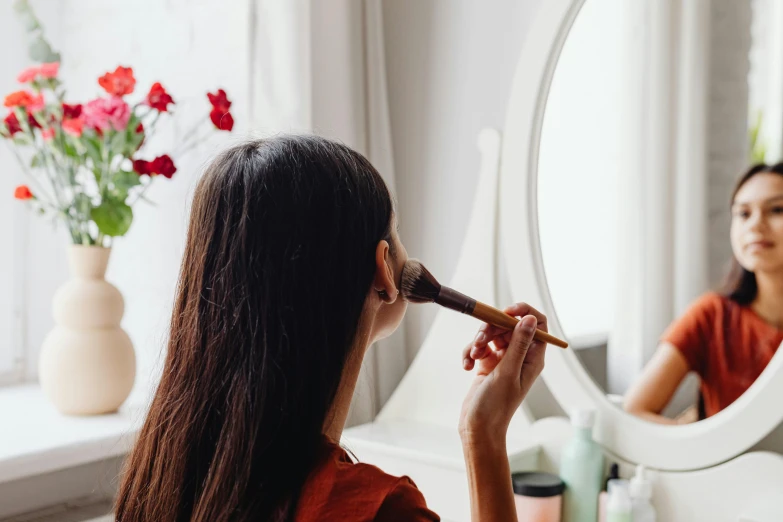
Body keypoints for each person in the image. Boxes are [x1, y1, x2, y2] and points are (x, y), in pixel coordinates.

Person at [114, 135, 548, 521]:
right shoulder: (378, 510)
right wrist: (484, 436)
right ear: (384, 269)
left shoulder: (159, 475)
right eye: (395, 232)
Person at [624, 163, 783, 424]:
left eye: (777, 209)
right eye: (743, 213)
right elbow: (635, 411)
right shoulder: (712, 316)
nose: (756, 224)